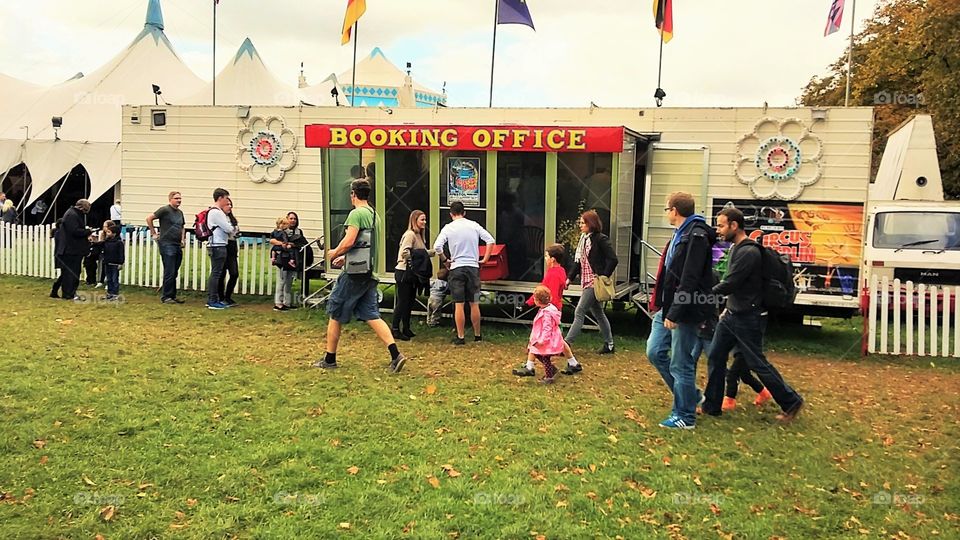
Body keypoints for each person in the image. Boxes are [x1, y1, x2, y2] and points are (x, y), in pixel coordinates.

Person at [702, 207, 805, 423]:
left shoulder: (748, 252)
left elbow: (731, 283)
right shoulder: (736, 249)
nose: (718, 230)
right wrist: (725, 310)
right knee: (716, 356)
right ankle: (711, 406)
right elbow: (734, 286)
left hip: (748, 318)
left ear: (734, 225)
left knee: (757, 363)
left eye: (721, 225)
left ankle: (791, 401)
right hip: (732, 315)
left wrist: (703, 294)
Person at [313, 179, 406, 373]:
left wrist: (335, 253)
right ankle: (396, 355)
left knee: (335, 312)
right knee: (372, 315)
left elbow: (349, 241)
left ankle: (329, 359)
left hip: (354, 275)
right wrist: (346, 258)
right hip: (368, 273)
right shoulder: (374, 215)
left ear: (353, 194)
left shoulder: (356, 214)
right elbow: (364, 246)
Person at [646, 192, 717, 430]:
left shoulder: (696, 235)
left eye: (667, 209)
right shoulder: (681, 233)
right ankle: (693, 396)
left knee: (681, 363)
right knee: (655, 351)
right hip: (669, 305)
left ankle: (685, 416)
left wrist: (675, 313)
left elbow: (690, 278)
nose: (666, 213)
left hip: (685, 309)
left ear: (675, 211)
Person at [514, 244, 582, 377]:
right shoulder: (561, 271)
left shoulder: (552, 274)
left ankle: (530, 366)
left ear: (553, 259)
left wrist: (527, 304)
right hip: (556, 309)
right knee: (559, 339)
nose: (545, 258)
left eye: (546, 256)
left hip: (549, 310)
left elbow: (543, 292)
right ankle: (573, 363)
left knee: (537, 337)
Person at [433, 201, 495, 345]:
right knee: (474, 303)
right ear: (464, 212)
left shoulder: (448, 228)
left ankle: (460, 337)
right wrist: (485, 259)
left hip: (456, 267)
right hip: (473, 267)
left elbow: (437, 246)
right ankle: (477, 335)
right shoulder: (473, 225)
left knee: (459, 304)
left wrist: (445, 260)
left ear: (451, 214)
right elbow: (490, 240)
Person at [564, 210, 617, 354]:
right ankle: (609, 344)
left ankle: (566, 344)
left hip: (594, 282)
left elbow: (613, 259)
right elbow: (579, 262)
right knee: (598, 313)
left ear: (591, 223)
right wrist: (569, 277)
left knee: (580, 311)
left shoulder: (601, 239)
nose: (580, 225)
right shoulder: (583, 239)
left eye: (583, 223)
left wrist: (604, 276)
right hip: (585, 280)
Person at [393, 210, 433, 340]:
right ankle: (395, 329)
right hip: (404, 271)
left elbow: (421, 252)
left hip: (412, 273)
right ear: (414, 220)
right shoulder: (410, 235)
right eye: (422, 219)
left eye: (425, 219)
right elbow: (405, 253)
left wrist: (430, 252)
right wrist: (423, 255)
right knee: (403, 301)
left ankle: (406, 327)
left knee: (410, 301)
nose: (424, 222)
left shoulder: (419, 236)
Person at [147, 191, 186, 304]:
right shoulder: (164, 210)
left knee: (175, 271)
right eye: (176, 198)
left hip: (177, 244)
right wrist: (153, 233)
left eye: (180, 198)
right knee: (169, 270)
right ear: (170, 199)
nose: (179, 200)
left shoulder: (180, 213)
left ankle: (172, 295)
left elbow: (182, 226)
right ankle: (166, 297)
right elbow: (149, 218)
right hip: (166, 243)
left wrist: (182, 239)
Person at [526, 286, 565, 384]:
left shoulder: (547, 313)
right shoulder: (548, 309)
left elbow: (547, 328)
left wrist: (543, 340)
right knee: (537, 353)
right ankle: (551, 369)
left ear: (538, 301)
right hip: (544, 338)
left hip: (546, 340)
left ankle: (549, 377)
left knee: (545, 357)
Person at [57, 199, 93, 301]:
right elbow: (74, 231)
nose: (85, 213)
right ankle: (69, 294)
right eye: (85, 211)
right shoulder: (72, 215)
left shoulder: (71, 214)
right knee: (72, 273)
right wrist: (87, 231)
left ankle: (69, 293)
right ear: (81, 208)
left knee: (70, 272)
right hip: (71, 250)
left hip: (71, 249)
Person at [205, 188, 232, 310]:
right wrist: (232, 228)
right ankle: (212, 300)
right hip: (218, 245)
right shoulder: (217, 212)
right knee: (216, 273)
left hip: (216, 244)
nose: (227, 201)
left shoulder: (213, 211)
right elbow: (228, 228)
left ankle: (213, 298)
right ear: (220, 198)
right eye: (226, 198)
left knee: (216, 272)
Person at [270, 216, 297, 311]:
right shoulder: (281, 233)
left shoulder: (293, 232)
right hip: (282, 258)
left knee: (288, 281)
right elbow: (273, 241)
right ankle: (278, 303)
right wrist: (285, 244)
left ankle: (287, 302)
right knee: (281, 281)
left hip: (286, 257)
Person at [217, 198, 240, 307]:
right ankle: (220, 297)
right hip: (223, 245)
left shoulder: (232, 219)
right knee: (221, 274)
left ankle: (228, 296)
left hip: (232, 246)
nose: (229, 207)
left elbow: (234, 231)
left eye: (231, 205)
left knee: (234, 273)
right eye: (227, 204)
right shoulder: (220, 217)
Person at [286, 211, 312, 299]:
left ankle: (304, 296)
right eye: (291, 219)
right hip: (286, 257)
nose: (293, 221)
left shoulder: (299, 232)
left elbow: (303, 244)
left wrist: (294, 245)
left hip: (299, 257)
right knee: (285, 280)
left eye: (295, 219)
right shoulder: (283, 231)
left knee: (306, 273)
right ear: (287, 219)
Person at [101, 224, 124, 301]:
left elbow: (121, 253)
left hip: (115, 263)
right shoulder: (106, 241)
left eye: (109, 232)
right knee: (109, 279)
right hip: (107, 262)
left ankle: (115, 294)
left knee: (114, 279)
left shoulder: (119, 242)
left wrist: (121, 263)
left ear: (114, 233)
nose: (107, 233)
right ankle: (109, 293)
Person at [50, 218, 64, 298]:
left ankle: (55, 290)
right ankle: (55, 289)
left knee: (64, 274)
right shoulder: (59, 233)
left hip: (59, 255)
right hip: (60, 256)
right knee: (64, 274)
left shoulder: (57, 233)